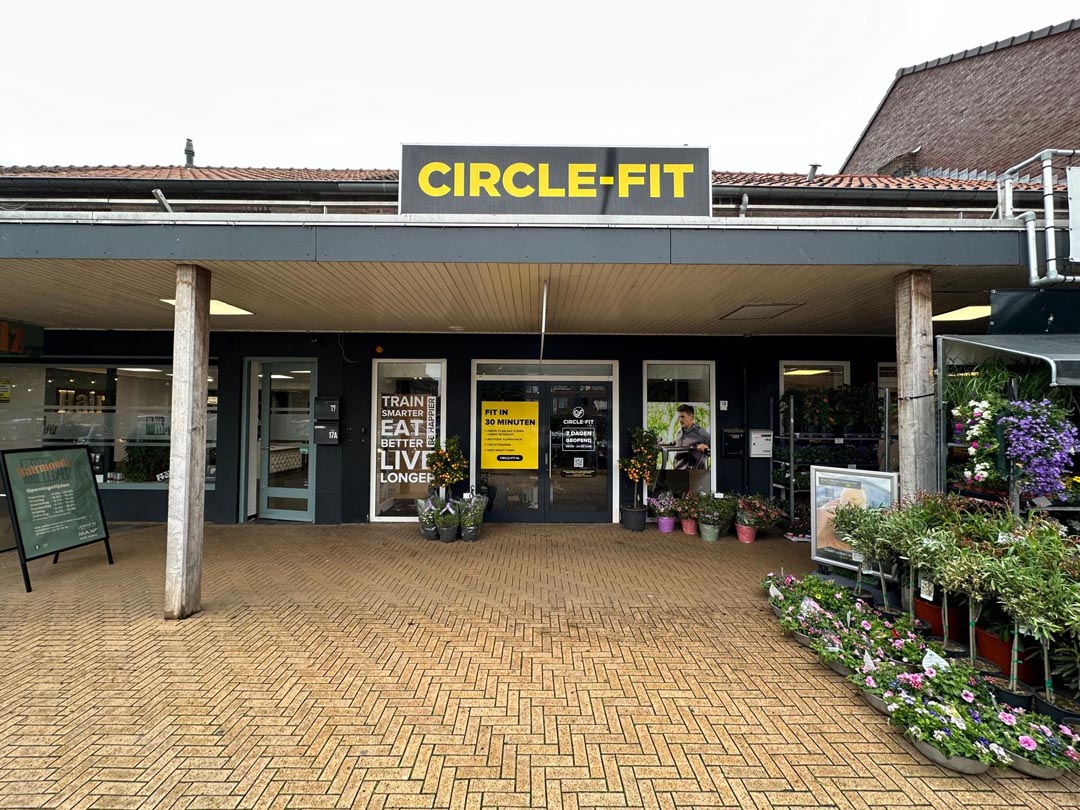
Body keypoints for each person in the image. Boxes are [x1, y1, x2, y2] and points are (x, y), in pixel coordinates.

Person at [672, 404, 711, 470]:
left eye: (682, 416)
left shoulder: (700, 432)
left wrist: (707, 448)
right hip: (677, 474)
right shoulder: (679, 433)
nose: (680, 420)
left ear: (691, 417)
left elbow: (716, 449)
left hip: (694, 475)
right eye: (679, 417)